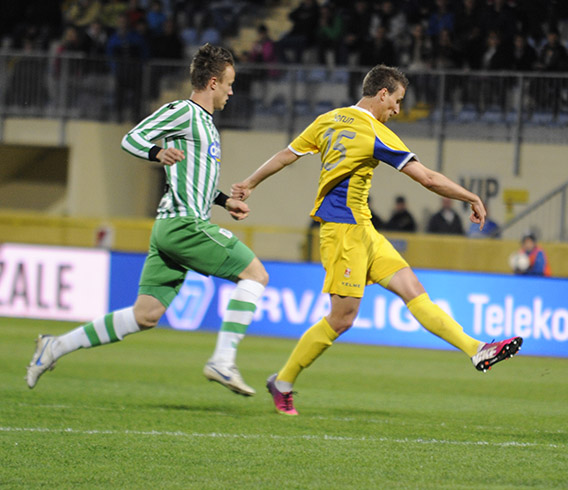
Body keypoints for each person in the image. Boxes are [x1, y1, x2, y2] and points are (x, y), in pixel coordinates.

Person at [232, 65, 522, 415]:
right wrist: (471, 197)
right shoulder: (373, 131)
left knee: (414, 290)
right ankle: (282, 382)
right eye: (397, 101)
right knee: (342, 319)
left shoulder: (329, 119)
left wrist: (249, 183)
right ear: (382, 94)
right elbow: (427, 178)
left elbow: (285, 155)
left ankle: (477, 349)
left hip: (364, 230)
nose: (397, 110)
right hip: (343, 232)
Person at [25, 44, 270, 398]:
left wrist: (223, 200)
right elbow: (131, 139)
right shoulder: (184, 111)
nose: (232, 92)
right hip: (184, 225)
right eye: (229, 84)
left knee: (146, 315)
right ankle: (223, 360)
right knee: (256, 275)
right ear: (213, 82)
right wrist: (157, 152)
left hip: (171, 228)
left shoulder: (205, 124)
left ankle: (55, 346)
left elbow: (193, 179)